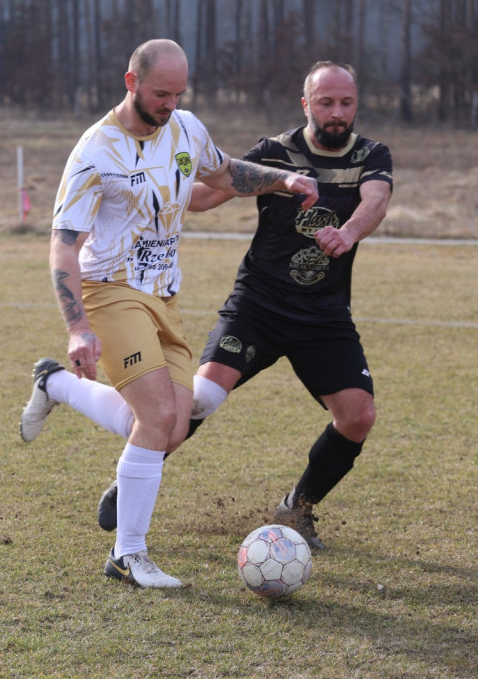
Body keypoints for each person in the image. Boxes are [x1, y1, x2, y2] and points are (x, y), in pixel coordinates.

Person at [21, 61, 393, 554]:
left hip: (323, 315)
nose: (337, 112)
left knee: (358, 415)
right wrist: (163, 195)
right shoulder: (273, 151)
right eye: (326, 102)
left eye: (346, 102)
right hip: (255, 306)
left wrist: (345, 231)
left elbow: (377, 200)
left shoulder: (371, 154)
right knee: (193, 403)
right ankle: (134, 480)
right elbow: (206, 191)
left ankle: (296, 508)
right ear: (306, 104)